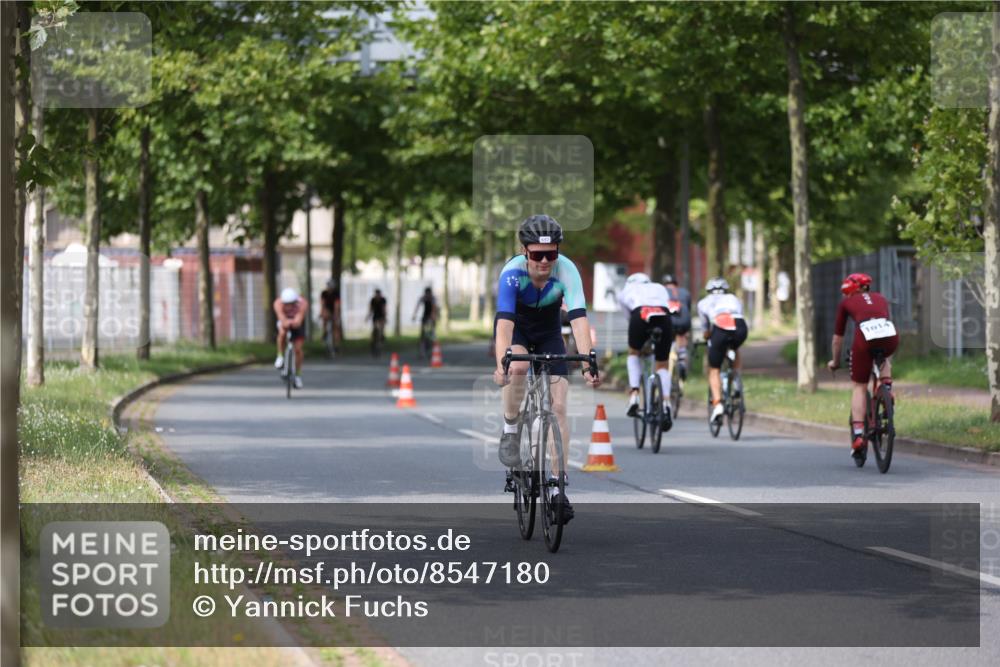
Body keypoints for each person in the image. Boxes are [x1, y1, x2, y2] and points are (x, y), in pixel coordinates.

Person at [494, 214, 600, 525]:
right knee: (517, 367)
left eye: (551, 254)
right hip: (518, 330)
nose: (544, 261)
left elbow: (578, 319)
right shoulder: (512, 274)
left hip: (550, 332)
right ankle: (511, 428)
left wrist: (588, 362)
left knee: (559, 407)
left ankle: (557, 487)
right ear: (524, 251)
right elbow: (504, 326)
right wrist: (501, 364)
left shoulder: (567, 271)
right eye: (538, 254)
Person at [826, 272, 898, 462]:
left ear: (849, 290)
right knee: (884, 357)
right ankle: (886, 388)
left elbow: (837, 339)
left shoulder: (846, 303)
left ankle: (858, 436)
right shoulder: (881, 298)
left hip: (864, 339)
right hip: (890, 336)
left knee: (859, 386)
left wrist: (835, 362)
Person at [618, 272, 674, 430]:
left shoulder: (626, 291)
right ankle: (666, 402)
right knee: (662, 364)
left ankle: (634, 394)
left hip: (640, 315)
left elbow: (629, 317)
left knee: (633, 353)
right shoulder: (660, 287)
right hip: (663, 316)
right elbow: (668, 304)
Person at [697, 277, 748, 424]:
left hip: (720, 326)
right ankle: (736, 380)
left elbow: (705, 330)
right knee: (735, 347)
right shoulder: (733, 298)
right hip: (740, 327)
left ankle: (718, 405)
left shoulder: (703, 303)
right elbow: (740, 316)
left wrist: (708, 338)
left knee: (714, 369)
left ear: (709, 291)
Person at [273, 287, 308, 389]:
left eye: (291, 304)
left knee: (298, 349)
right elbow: (281, 317)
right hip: (284, 320)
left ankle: (297, 375)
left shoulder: (303, 303)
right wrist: (285, 322)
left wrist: (295, 322)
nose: (288, 307)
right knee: (282, 333)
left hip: (297, 322)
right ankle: (280, 356)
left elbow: (299, 319)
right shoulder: (277, 303)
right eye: (286, 304)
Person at [662, 274, 692, 380]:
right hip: (683, 320)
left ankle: (664, 367)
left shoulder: (662, 291)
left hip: (667, 321)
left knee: (665, 341)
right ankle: (682, 359)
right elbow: (688, 309)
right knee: (682, 336)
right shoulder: (685, 292)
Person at [412, 286, 439, 352]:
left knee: (432, 330)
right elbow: (417, 306)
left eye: (428, 294)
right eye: (426, 294)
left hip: (432, 316)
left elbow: (434, 308)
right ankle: (422, 347)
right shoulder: (423, 298)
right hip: (425, 315)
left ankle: (433, 342)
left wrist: (433, 316)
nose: (427, 295)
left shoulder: (433, 298)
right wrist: (414, 315)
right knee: (423, 332)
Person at [319, 279, 341, 354]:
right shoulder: (324, 293)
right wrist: (321, 312)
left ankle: (336, 344)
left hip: (334, 310)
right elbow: (322, 304)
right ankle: (325, 332)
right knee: (325, 316)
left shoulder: (336, 294)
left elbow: (336, 305)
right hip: (327, 309)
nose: (330, 288)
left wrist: (336, 315)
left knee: (336, 327)